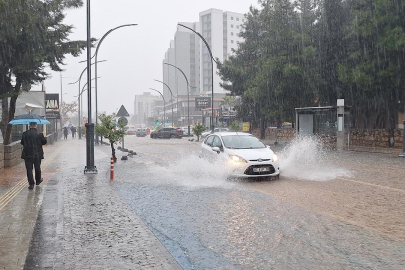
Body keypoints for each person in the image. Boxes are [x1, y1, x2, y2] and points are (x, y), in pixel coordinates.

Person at [21, 122, 47, 189]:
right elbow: (44, 142)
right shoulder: (40, 134)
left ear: (29, 126)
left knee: (29, 169)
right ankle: (38, 180)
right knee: (37, 168)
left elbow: (22, 142)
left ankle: (31, 184)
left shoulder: (25, 134)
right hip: (37, 154)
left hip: (27, 154)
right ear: (36, 126)